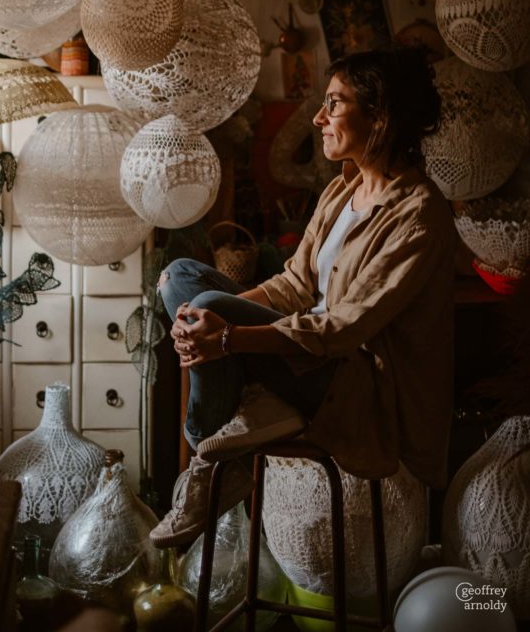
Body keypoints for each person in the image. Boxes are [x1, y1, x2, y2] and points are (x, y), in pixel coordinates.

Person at [150, 46, 456, 548]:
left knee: (213, 311)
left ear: (380, 115)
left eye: (334, 104)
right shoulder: (341, 192)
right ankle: (253, 418)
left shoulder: (419, 214)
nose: (318, 118)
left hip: (353, 381)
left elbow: (346, 328)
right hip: (305, 357)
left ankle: (210, 466)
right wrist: (204, 318)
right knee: (180, 276)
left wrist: (228, 336)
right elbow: (294, 285)